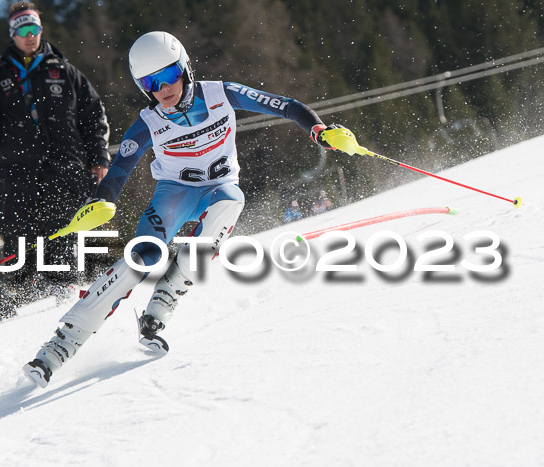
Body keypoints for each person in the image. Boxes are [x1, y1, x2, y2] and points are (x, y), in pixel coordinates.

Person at [23, 31, 353, 387]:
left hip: (217, 189)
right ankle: (59, 347)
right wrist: (103, 201)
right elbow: (120, 169)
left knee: (231, 201)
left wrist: (319, 129)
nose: (163, 88)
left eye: (169, 76)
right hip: (174, 194)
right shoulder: (148, 121)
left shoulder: (220, 93)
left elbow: (284, 105)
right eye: (151, 82)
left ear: (185, 69)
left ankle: (160, 306)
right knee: (142, 258)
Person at [0, 2, 110, 295]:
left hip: (66, 168)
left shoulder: (65, 72)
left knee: (66, 230)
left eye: (34, 28)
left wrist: (99, 157)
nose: (29, 35)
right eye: (23, 29)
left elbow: (93, 115)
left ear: (41, 30)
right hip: (20, 172)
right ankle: (25, 293)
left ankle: (69, 289)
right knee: (22, 235)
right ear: (13, 34)